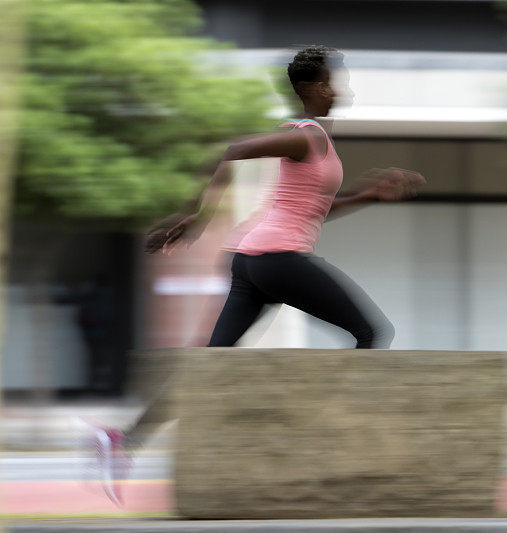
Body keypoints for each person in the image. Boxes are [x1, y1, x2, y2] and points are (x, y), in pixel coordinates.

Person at [85, 45, 426, 505]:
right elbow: (229, 151)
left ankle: (123, 439)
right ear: (312, 88)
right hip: (275, 259)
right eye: (333, 80)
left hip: (252, 261)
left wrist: (369, 195)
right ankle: (331, 438)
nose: (340, 89)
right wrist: (196, 216)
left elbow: (313, 212)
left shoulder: (316, 143)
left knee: (211, 362)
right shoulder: (305, 136)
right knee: (371, 332)